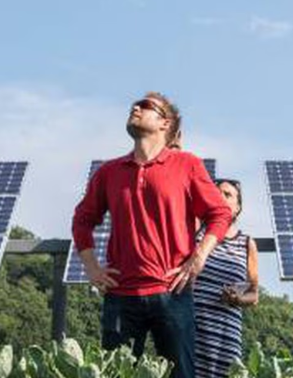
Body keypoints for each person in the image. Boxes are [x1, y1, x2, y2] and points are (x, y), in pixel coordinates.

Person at [71, 92, 232, 378]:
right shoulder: (109, 172)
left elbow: (219, 214)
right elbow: (82, 219)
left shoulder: (187, 165)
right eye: (136, 104)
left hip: (173, 294)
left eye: (146, 106)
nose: (136, 107)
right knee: (116, 375)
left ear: (164, 123)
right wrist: (92, 267)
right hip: (120, 296)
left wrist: (198, 257)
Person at [194, 178, 259, 378]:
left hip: (226, 339)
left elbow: (254, 294)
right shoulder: (195, 234)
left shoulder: (246, 243)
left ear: (238, 207)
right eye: (216, 193)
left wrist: (238, 299)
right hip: (192, 333)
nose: (220, 197)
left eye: (228, 194)